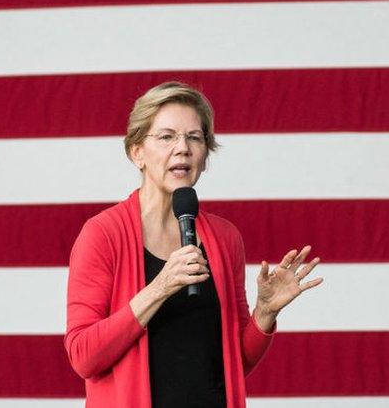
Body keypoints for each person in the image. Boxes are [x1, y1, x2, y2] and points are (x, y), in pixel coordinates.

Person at [64, 81, 322, 408]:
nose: (183, 148)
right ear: (137, 152)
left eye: (194, 137)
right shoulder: (102, 234)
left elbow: (233, 364)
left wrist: (265, 313)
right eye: (167, 136)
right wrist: (159, 288)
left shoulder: (225, 238)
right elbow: (83, 356)